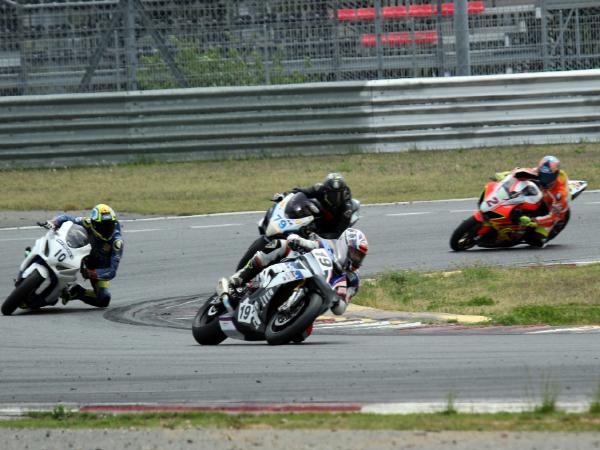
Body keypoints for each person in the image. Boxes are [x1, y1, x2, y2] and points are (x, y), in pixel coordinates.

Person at [218, 228, 369, 316]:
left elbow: (341, 309)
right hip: (300, 270)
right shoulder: (328, 246)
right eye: (355, 253)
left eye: (360, 256)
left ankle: (292, 316)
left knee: (300, 336)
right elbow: (311, 243)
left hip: (312, 307)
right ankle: (239, 278)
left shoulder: (353, 280)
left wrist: (337, 301)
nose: (357, 259)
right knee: (280, 245)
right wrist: (297, 240)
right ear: (345, 246)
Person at [38, 203, 123, 308]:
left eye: (110, 225)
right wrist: (54, 222)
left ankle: (77, 292)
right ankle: (40, 256)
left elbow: (112, 270)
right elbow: (67, 218)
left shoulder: (117, 242)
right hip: (80, 250)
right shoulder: (88, 222)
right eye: (103, 226)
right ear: (94, 224)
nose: (107, 230)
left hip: (98, 265)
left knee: (104, 298)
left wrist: (93, 273)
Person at [494, 155, 569, 247]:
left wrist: (534, 221)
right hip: (541, 197)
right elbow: (521, 171)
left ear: (555, 175)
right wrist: (505, 175)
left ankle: (522, 235)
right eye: (542, 175)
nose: (544, 179)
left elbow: (553, 217)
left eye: (548, 177)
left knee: (535, 240)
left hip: (554, 212)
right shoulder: (537, 172)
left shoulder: (559, 194)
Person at [276, 172, 354, 239]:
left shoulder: (347, 209)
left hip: (335, 222)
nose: (335, 197)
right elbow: (301, 191)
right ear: (326, 191)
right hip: (324, 212)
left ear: (343, 192)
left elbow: (339, 233)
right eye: (332, 194)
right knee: (309, 203)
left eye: (339, 194)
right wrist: (285, 195)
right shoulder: (320, 189)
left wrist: (319, 237)